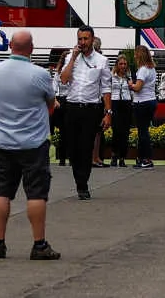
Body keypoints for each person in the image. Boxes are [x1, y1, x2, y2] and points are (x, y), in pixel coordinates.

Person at [0, 29, 61, 261]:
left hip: (1, 141)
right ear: (31, 49)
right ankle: (39, 245)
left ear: (11, 47)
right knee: (36, 194)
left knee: (0, 192)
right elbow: (51, 103)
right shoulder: (39, 74)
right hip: (33, 142)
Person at [57, 25, 109, 200]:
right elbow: (63, 80)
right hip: (72, 107)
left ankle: (82, 184)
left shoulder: (102, 61)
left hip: (91, 108)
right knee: (72, 148)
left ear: (92, 40)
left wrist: (108, 112)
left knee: (86, 147)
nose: (83, 42)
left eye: (86, 39)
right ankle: (79, 178)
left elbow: (106, 89)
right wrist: (72, 58)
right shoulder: (72, 59)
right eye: (80, 39)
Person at [130, 45, 158, 168]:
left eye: (136, 54)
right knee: (145, 130)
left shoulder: (142, 70)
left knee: (142, 132)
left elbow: (138, 87)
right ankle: (145, 158)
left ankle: (145, 158)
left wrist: (130, 84)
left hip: (142, 102)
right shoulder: (152, 69)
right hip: (151, 100)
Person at [107, 51, 135, 168]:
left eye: (125, 64)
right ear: (117, 65)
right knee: (116, 131)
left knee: (125, 132)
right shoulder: (112, 76)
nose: (123, 66)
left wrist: (131, 85)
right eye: (121, 64)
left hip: (126, 103)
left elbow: (133, 91)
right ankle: (114, 155)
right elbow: (107, 90)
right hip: (115, 103)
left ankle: (123, 157)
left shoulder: (129, 76)